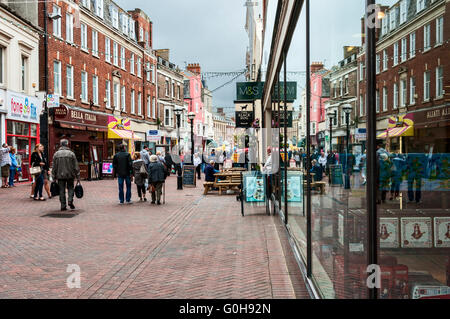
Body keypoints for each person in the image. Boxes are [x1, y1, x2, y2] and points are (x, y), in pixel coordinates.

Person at [52, 139, 80, 211]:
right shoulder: (71, 154)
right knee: (70, 188)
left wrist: (53, 177)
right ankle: (70, 200)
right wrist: (78, 176)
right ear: (67, 144)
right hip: (70, 174)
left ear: (61, 144)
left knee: (61, 190)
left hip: (60, 175)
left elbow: (54, 167)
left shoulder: (56, 154)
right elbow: (76, 166)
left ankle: (63, 205)